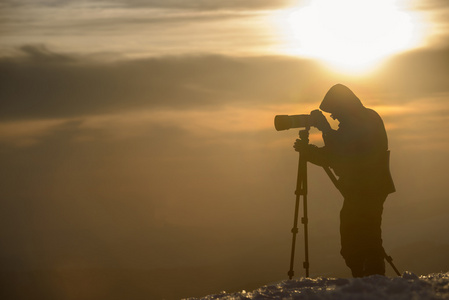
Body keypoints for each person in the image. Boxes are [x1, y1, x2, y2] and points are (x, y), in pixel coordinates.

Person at [294, 84, 395, 277]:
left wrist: (324, 129)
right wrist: (310, 152)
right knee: (352, 242)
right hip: (361, 190)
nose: (333, 117)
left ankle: (374, 283)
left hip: (368, 190)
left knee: (367, 238)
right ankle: (363, 279)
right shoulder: (360, 121)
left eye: (334, 112)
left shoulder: (366, 120)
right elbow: (337, 155)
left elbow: (341, 150)